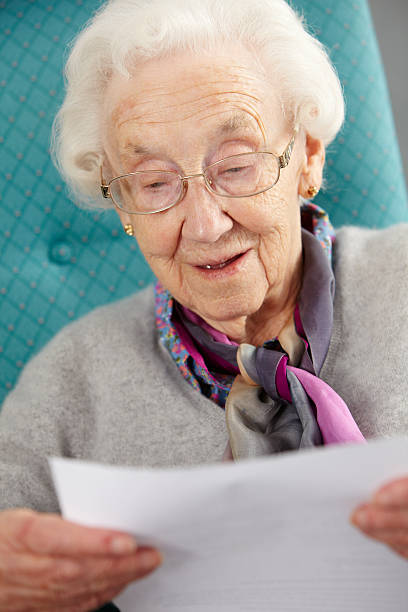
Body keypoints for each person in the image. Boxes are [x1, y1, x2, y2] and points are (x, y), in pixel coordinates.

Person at [0, 0, 407, 609]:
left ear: (309, 156)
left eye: (237, 166)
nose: (206, 225)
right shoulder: (71, 377)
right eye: (155, 184)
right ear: (119, 202)